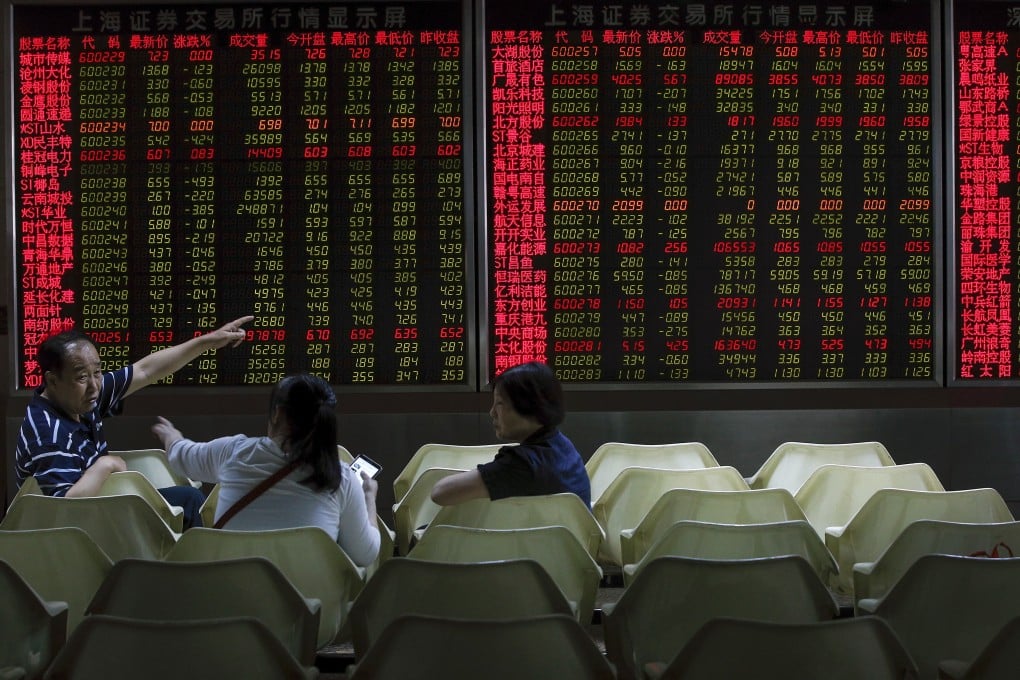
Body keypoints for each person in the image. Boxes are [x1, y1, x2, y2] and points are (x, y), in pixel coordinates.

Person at [15, 316, 253, 529]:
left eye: (97, 372)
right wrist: (104, 465)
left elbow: (146, 371)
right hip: (75, 529)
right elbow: (66, 507)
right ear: (52, 380)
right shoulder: (48, 433)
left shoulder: (80, 396)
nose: (94, 386)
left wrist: (209, 341)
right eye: (82, 377)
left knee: (188, 499)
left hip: (102, 507)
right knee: (189, 502)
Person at [151, 373, 380, 567]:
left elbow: (182, 457)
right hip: (307, 610)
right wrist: (369, 497)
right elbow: (365, 555)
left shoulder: (234, 453)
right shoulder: (342, 479)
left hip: (232, 604)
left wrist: (173, 437)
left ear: (278, 413)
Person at [430, 360, 591, 507]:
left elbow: (440, 493)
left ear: (530, 407)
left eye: (499, 403)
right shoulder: (562, 445)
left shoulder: (522, 464)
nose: (492, 412)